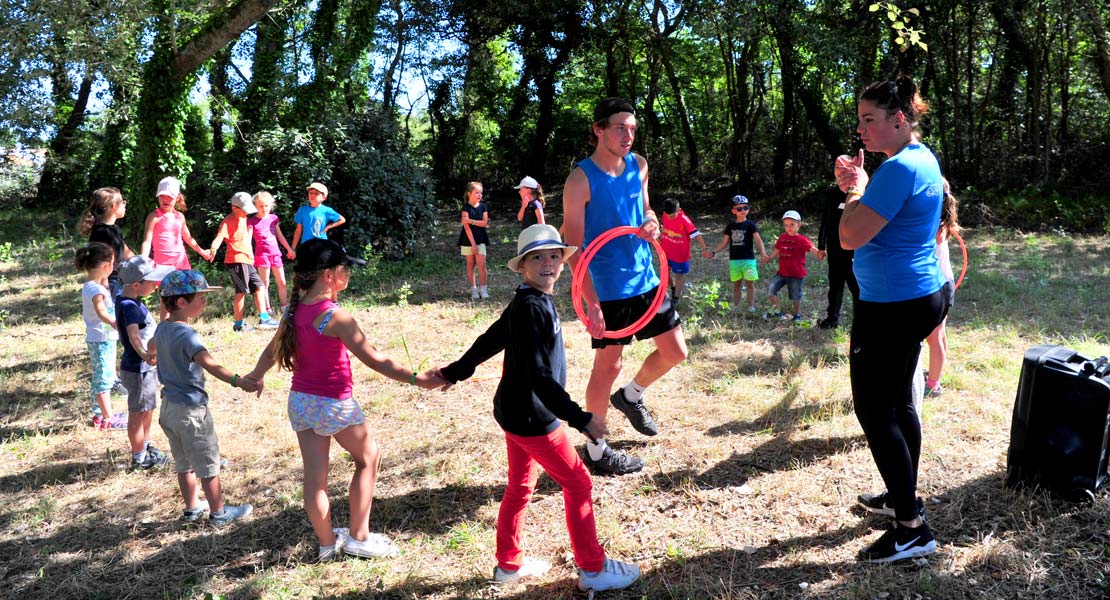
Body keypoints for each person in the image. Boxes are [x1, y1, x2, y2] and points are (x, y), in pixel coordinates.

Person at [435, 225, 642, 592]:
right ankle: (594, 569)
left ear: (563, 261)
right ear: (522, 266)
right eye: (537, 257)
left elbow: (491, 339)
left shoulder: (527, 300)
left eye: (553, 255)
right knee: (578, 482)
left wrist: (456, 371)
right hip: (533, 419)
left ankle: (508, 565)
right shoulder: (531, 307)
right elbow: (538, 376)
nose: (547, 263)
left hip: (513, 413)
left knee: (519, 486)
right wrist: (581, 418)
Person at [243, 239, 448, 561]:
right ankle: (359, 537)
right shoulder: (336, 317)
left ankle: (327, 544)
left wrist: (256, 375)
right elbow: (376, 360)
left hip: (300, 403)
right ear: (328, 275)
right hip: (333, 404)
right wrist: (417, 379)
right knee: (369, 457)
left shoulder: (293, 311)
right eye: (345, 267)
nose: (349, 272)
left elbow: (272, 350)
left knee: (315, 478)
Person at [835, 75, 951, 562]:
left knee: (874, 409)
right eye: (859, 118)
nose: (861, 128)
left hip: (892, 306)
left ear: (898, 120)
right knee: (901, 403)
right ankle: (903, 496)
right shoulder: (920, 158)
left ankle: (911, 529)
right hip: (920, 296)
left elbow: (849, 235)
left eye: (870, 119)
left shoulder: (899, 168)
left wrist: (853, 193)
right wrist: (860, 187)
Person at [562, 97, 687, 476]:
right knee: (608, 366)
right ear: (598, 130)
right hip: (608, 287)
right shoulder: (580, 179)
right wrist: (592, 303)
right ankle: (596, 451)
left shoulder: (639, 165)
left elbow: (646, 210)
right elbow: (572, 248)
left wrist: (652, 222)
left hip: (647, 277)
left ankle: (631, 397)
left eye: (632, 129)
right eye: (619, 127)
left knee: (676, 351)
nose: (627, 135)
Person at [155, 269, 257, 525]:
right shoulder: (187, 335)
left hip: (168, 409)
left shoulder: (162, 328)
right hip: (192, 412)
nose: (204, 302)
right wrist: (239, 381)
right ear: (181, 303)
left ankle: (191, 508)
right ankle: (219, 514)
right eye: (200, 297)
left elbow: (152, 351)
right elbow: (210, 365)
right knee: (207, 463)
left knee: (183, 462)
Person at [115, 256, 174, 470]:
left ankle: (145, 446)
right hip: (137, 367)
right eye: (152, 282)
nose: (155, 285)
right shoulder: (130, 305)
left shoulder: (130, 301)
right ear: (137, 285)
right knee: (137, 412)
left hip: (145, 367)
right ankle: (139, 457)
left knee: (147, 408)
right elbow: (133, 336)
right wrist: (145, 355)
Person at [141, 176, 213, 319]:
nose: (165, 199)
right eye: (162, 196)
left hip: (181, 263)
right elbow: (147, 241)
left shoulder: (180, 217)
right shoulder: (154, 217)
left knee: (184, 297)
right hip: (162, 266)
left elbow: (188, 238)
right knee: (166, 300)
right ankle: (164, 330)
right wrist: (142, 261)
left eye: (170, 196)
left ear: (177, 198)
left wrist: (202, 252)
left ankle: (181, 326)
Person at [209, 192, 279, 332]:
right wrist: (213, 249)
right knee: (241, 292)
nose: (248, 213)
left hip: (247, 261)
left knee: (259, 287)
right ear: (235, 208)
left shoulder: (245, 219)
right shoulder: (228, 221)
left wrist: (251, 256)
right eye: (245, 210)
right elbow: (219, 237)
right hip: (236, 261)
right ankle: (239, 325)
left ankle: (264, 318)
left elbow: (246, 239)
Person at [75, 242, 125, 430]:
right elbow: (101, 312)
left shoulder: (92, 285)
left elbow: (104, 285)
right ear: (106, 266)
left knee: (103, 375)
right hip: (102, 339)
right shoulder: (96, 291)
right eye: (112, 262)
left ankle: (99, 415)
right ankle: (108, 418)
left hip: (101, 339)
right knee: (104, 378)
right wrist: (115, 322)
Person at [924, 179, 960, 397]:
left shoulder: (935, 224)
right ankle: (935, 375)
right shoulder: (941, 219)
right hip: (944, 283)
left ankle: (933, 384)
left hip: (937, 285)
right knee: (939, 334)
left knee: (933, 337)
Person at [761, 210, 823, 323]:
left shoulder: (802, 240)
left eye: (792, 224)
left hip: (796, 274)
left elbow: (813, 249)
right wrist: (770, 258)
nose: (789, 227)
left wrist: (821, 253)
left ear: (798, 225)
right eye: (786, 225)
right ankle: (777, 311)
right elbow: (778, 249)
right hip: (782, 273)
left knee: (795, 296)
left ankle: (797, 315)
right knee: (771, 290)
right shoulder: (782, 238)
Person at [708, 195, 766, 313]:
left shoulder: (750, 225)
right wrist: (714, 252)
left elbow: (758, 240)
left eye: (745, 208)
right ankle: (736, 306)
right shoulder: (730, 226)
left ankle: (751, 306)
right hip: (734, 260)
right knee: (736, 286)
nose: (743, 211)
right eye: (739, 209)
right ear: (733, 211)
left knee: (750, 284)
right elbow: (724, 242)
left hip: (748, 260)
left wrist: (763, 254)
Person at [79, 187, 135, 299]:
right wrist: (105, 288)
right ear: (114, 206)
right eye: (123, 202)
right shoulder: (102, 233)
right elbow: (103, 263)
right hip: (111, 282)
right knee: (113, 312)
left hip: (118, 278)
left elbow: (126, 252)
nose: (125, 205)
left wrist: (144, 264)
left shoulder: (113, 229)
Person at [816, 186, 859, 329]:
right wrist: (821, 246)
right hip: (834, 247)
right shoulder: (833, 193)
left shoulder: (863, 192)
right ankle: (832, 318)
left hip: (854, 250)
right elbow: (826, 220)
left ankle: (860, 321)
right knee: (835, 285)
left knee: (857, 287)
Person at [249, 191, 295, 316]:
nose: (264, 209)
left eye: (266, 206)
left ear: (271, 205)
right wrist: (249, 255)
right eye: (260, 206)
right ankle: (267, 308)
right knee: (264, 283)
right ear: (255, 206)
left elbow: (279, 236)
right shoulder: (251, 221)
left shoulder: (273, 219)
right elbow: (248, 240)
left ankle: (284, 306)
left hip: (276, 254)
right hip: (261, 255)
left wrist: (289, 249)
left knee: (282, 282)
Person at [659, 197, 710, 304]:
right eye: (668, 215)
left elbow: (697, 235)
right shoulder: (665, 214)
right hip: (666, 252)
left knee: (679, 276)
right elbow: (663, 228)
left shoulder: (684, 220)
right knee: (665, 273)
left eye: (672, 215)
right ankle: (673, 288)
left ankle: (676, 298)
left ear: (679, 210)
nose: (670, 218)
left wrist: (704, 249)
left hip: (680, 255)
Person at [458, 181, 490, 299]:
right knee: (470, 265)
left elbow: (485, 223)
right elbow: (466, 227)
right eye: (477, 192)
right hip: (468, 240)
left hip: (481, 239)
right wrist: (473, 245)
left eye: (481, 193)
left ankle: (484, 289)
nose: (479, 195)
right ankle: (474, 290)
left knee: (482, 264)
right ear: (469, 193)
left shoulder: (483, 207)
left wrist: (471, 221)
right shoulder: (465, 208)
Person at [290, 182, 345, 250]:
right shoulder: (302, 210)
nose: (312, 195)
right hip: (306, 245)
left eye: (316, 193)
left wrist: (328, 227)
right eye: (310, 193)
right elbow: (298, 230)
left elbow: (342, 220)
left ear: (324, 197)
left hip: (322, 246)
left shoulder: (327, 210)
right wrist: (292, 249)